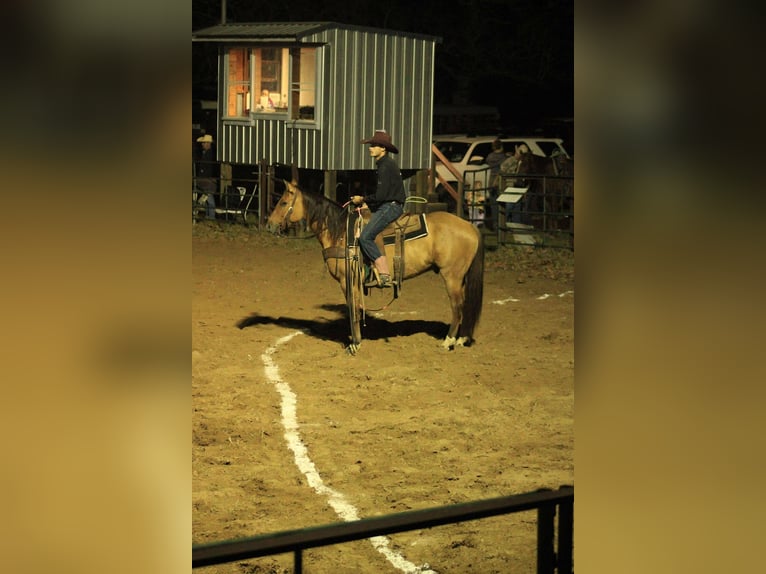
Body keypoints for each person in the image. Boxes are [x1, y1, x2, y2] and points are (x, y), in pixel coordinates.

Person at [350, 130, 407, 288]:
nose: (370, 148)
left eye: (374, 145)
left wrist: (362, 199)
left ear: (383, 149)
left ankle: (384, 274)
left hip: (391, 207)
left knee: (365, 236)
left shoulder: (385, 167)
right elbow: (384, 193)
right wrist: (369, 203)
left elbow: (381, 195)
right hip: (390, 204)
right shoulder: (386, 164)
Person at [484, 139, 508, 230]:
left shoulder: (490, 157)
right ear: (501, 146)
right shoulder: (504, 158)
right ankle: (502, 224)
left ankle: (495, 224)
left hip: (491, 181)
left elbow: (487, 161)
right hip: (501, 182)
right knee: (502, 204)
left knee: (493, 204)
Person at [194, 134, 218, 220]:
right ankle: (209, 216)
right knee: (208, 197)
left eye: (204, 142)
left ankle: (211, 216)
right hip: (207, 179)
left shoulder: (209, 154)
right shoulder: (209, 153)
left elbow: (206, 167)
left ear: (208, 143)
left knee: (209, 198)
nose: (202, 144)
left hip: (207, 179)